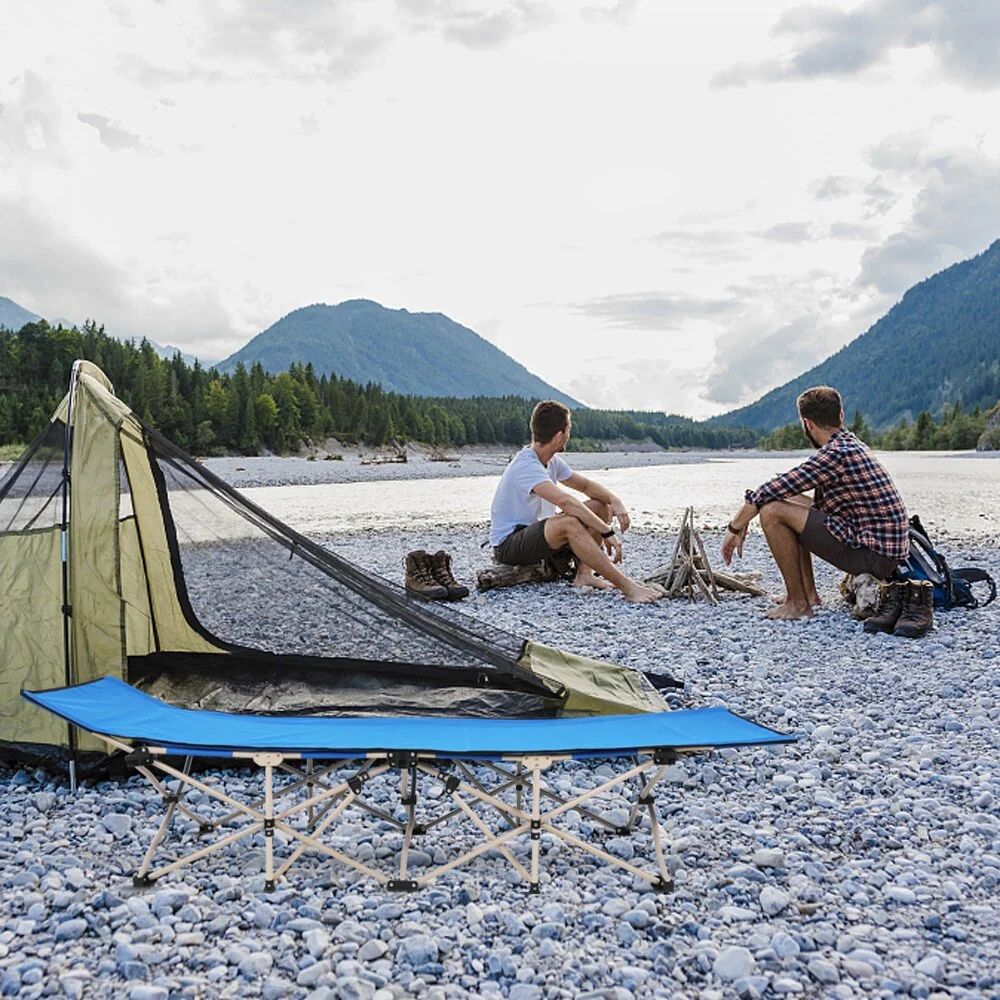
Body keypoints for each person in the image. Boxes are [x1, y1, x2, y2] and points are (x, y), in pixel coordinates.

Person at [721, 386, 908, 620]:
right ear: (841, 415)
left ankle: (798, 604)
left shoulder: (835, 454)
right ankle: (809, 595)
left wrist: (734, 528)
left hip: (874, 556)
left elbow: (767, 492)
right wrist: (751, 511)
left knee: (772, 511)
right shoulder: (850, 444)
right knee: (780, 501)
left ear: (808, 424)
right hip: (881, 551)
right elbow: (779, 490)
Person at [490, 400, 662, 604]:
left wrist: (614, 500)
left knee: (600, 506)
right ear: (560, 435)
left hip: (538, 535)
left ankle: (584, 574)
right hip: (509, 544)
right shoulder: (526, 465)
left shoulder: (551, 461)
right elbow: (566, 502)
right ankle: (628, 588)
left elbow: (586, 486)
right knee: (568, 523)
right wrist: (607, 531)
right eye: (568, 429)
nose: (569, 435)